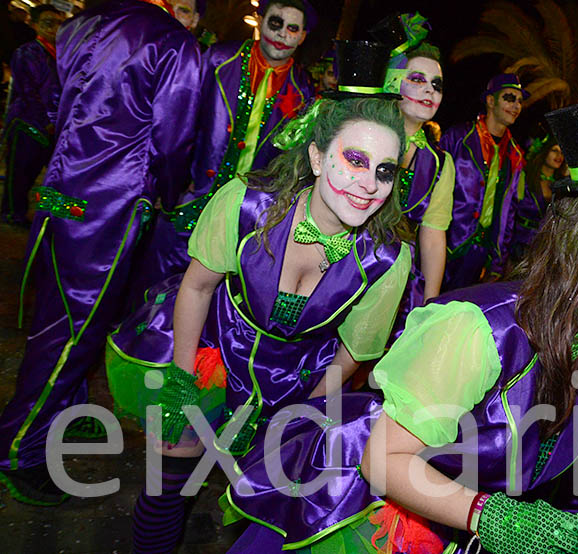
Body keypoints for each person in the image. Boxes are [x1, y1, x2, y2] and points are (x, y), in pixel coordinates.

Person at [220, 95, 578, 554]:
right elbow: (382, 461)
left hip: (450, 518)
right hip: (361, 516)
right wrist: (492, 517)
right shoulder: (479, 329)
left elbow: (548, 431)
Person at [106, 40, 412, 553]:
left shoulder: (386, 260)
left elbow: (352, 355)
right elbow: (197, 287)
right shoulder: (244, 206)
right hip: (212, 359)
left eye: (385, 170)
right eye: (355, 160)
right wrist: (181, 380)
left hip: (297, 388)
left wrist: (301, 423)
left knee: (266, 513)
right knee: (166, 492)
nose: (369, 184)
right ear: (317, 157)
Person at [0, 0, 200, 506]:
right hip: (108, 207)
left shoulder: (79, 25)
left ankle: (58, 416)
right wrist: (165, 190)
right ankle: (17, 448)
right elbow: (174, 140)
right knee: (70, 331)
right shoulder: (174, 44)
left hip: (59, 192)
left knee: (58, 318)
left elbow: (60, 102)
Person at [134, 0, 317, 297]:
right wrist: (173, 187)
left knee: (211, 295)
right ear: (260, 20)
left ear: (302, 36)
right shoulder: (217, 59)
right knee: (154, 284)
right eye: (275, 23)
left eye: (292, 28)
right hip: (190, 201)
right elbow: (180, 124)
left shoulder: (304, 90)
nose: (282, 35)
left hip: (246, 217)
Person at [371, 12, 454, 302]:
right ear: (393, 81)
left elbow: (432, 237)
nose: (430, 89)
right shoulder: (362, 135)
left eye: (437, 84)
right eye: (417, 79)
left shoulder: (441, 163)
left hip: (397, 290)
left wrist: (428, 305)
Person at [440, 73, 528, 290]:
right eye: (509, 98)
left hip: (481, 254)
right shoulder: (459, 137)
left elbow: (509, 212)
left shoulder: (515, 154)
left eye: (519, 101)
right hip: (445, 243)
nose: (516, 106)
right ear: (490, 101)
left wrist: (497, 261)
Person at [2, 3, 63, 226]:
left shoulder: (62, 55)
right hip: (27, 124)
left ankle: (53, 215)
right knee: (19, 176)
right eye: (48, 23)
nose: (55, 28)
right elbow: (28, 92)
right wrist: (47, 121)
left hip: (53, 127)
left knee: (55, 176)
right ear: (35, 24)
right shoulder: (27, 52)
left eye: (59, 23)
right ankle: (12, 214)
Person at [510, 134, 566, 260]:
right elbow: (509, 211)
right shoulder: (526, 178)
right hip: (518, 243)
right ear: (545, 152)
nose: (559, 156)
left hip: (543, 248)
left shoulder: (561, 185)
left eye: (562, 152)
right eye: (555, 150)